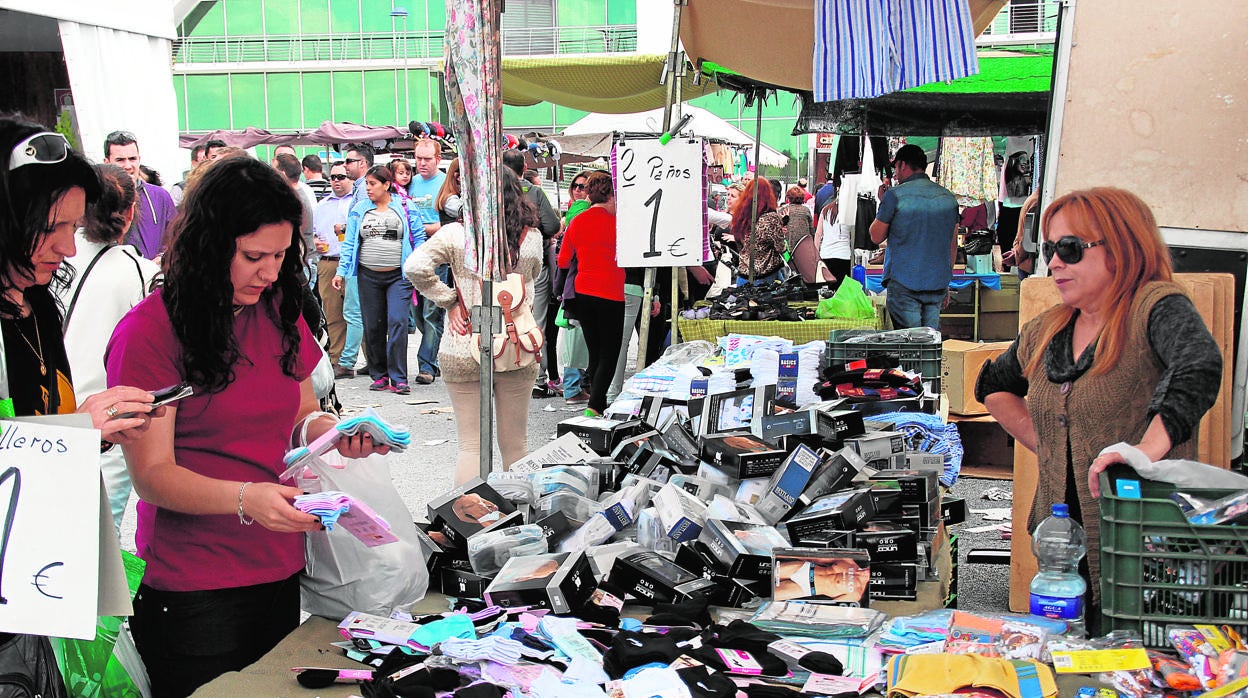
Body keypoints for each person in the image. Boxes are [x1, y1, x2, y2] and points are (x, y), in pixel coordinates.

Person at [105, 156, 389, 697]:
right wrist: (246, 498)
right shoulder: (150, 333)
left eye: (282, 256)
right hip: (195, 589)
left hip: (280, 566)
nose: (270, 272)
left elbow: (302, 415)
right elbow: (153, 475)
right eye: (254, 256)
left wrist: (336, 432)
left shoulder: (278, 305)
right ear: (209, 245)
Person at [976, 187, 1221, 630]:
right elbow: (994, 385)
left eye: (1070, 249)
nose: (1053, 263)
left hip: (1144, 552)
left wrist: (1142, 451)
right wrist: (1049, 443)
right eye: (1049, 249)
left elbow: (1197, 365)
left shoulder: (1156, 306)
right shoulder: (1048, 328)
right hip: (1062, 555)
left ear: (1123, 246)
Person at [0, 117, 160, 695]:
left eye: (74, 226)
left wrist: (85, 426)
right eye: (51, 228)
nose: (69, 247)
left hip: (44, 575)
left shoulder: (34, 304)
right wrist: (73, 432)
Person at [406, 169, 543, 484]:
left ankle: (469, 524)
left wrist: (450, 300)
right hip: (515, 342)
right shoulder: (531, 237)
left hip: (464, 338)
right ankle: (522, 521)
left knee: (470, 446)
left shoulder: (456, 234)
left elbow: (414, 266)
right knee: (516, 445)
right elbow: (531, 284)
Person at [58, 163, 161, 530]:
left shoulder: (48, 256)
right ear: (132, 212)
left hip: (43, 422)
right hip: (106, 428)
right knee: (97, 540)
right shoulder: (139, 273)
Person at [334, 165, 420, 394]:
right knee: (373, 325)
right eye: (367, 184)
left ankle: (399, 377)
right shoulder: (360, 210)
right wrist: (341, 272)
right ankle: (379, 374)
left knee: (398, 322)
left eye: (372, 184)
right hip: (368, 275)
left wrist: (417, 266)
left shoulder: (405, 206)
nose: (368, 189)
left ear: (386, 185)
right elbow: (350, 242)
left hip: (398, 277)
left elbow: (418, 237)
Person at [869, 144, 959, 329]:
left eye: (895, 168)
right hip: (937, 282)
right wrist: (945, 281)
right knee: (929, 343)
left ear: (903, 165)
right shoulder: (948, 198)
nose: (895, 173)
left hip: (904, 283)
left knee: (911, 345)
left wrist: (882, 203)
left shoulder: (895, 196)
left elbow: (875, 236)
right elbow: (952, 244)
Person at [556, 170, 623, 416]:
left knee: (595, 351)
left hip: (583, 292)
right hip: (612, 293)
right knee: (610, 353)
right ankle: (594, 407)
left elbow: (563, 261)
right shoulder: (619, 223)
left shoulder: (577, 221)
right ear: (611, 196)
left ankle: (598, 403)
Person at [501, 150, 560, 397]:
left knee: (501, 315)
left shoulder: (490, 192)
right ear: (524, 169)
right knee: (534, 318)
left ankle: (500, 362)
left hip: (498, 263)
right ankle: (537, 375)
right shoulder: (534, 192)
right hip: (530, 263)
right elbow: (553, 226)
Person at [407, 139, 448, 385]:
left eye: (427, 159)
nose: (421, 163)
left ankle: (426, 365)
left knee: (432, 312)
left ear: (438, 159)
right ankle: (432, 355)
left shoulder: (445, 183)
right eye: (418, 158)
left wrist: (422, 228)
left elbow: (452, 222)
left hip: (437, 255)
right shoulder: (410, 182)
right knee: (416, 312)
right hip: (413, 256)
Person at [104, 130, 177, 260]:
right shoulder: (97, 199)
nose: (128, 166)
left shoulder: (160, 196)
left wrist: (162, 258)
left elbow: (176, 238)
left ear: (139, 160)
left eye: (132, 159)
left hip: (153, 276)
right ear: (107, 162)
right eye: (120, 160)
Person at [313, 161, 355, 376]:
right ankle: (337, 358)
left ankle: (369, 360)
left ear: (350, 178)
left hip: (353, 263)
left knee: (357, 314)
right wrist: (315, 243)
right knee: (333, 314)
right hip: (328, 262)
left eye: (341, 177)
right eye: (333, 177)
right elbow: (311, 234)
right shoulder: (321, 206)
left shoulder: (356, 203)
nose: (336, 181)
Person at [731, 177, 787, 285]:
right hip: (766, 276)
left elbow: (740, 245)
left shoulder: (739, 216)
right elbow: (780, 247)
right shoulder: (771, 218)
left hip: (743, 275)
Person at [813, 193, 850, 281]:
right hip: (844, 254)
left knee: (829, 288)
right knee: (842, 289)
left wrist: (816, 254)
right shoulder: (849, 213)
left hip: (826, 254)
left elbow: (818, 234)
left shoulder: (825, 210)